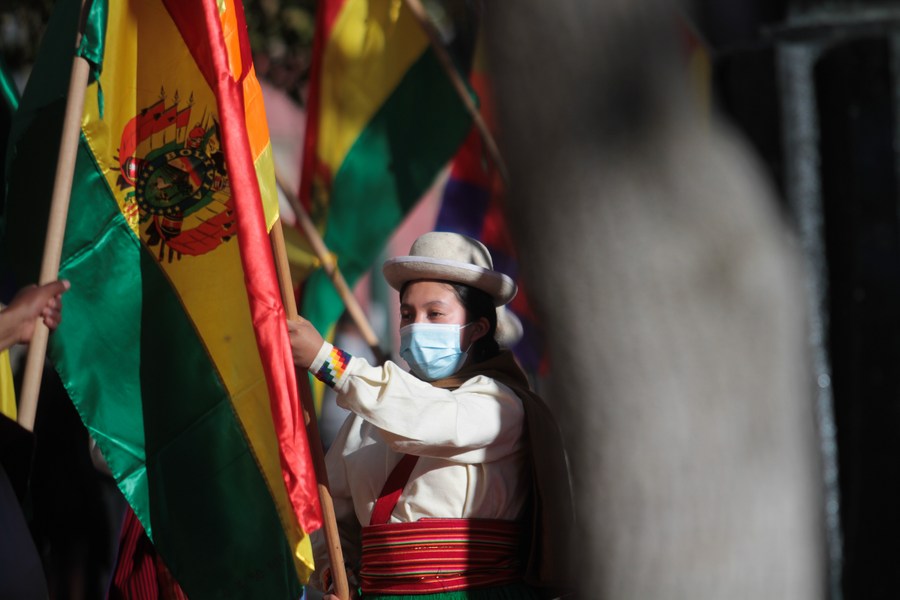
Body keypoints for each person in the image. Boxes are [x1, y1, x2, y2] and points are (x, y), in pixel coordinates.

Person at [288, 232, 572, 600]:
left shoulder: (501, 404)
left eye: (434, 314)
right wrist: (335, 574)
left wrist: (328, 362)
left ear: (478, 328)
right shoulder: (369, 411)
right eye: (408, 314)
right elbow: (332, 513)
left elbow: (428, 422)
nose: (416, 325)